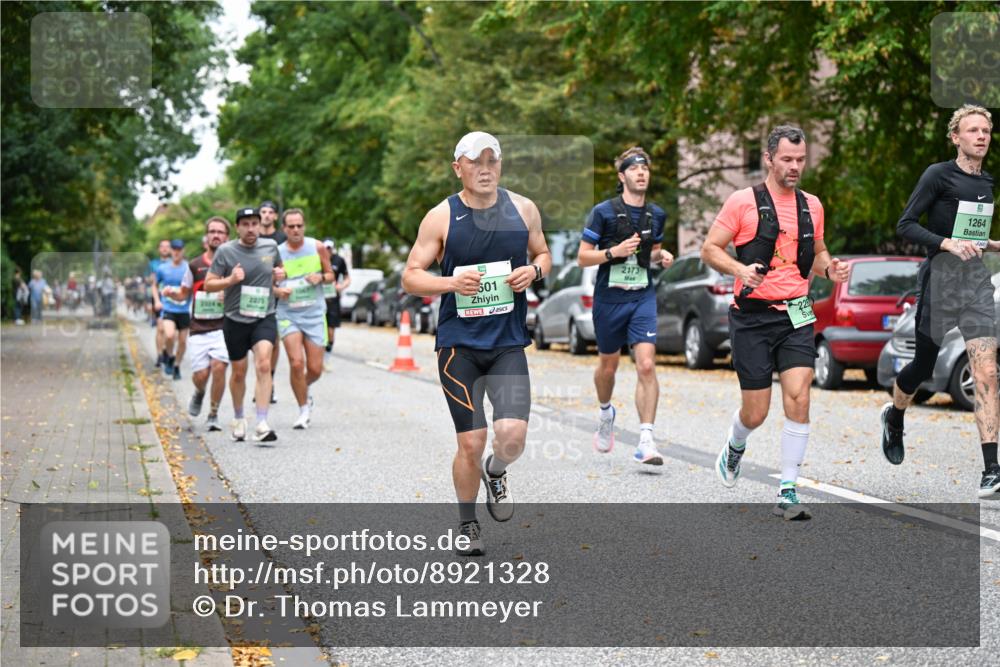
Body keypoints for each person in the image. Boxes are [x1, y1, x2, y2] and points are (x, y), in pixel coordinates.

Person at [402, 131, 552, 556]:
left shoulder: (523, 209)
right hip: (459, 346)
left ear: (500, 164)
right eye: (475, 161)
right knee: (471, 440)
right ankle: (467, 523)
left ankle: (496, 471)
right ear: (458, 168)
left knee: (512, 438)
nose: (485, 169)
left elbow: (543, 254)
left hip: (507, 342)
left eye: (492, 160)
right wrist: (451, 283)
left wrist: (534, 272)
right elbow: (411, 276)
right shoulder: (441, 217)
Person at [701, 125, 850, 520]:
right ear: (769, 159)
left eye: (800, 159)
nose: (795, 166)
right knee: (756, 412)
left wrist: (831, 269)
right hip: (751, 317)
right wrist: (739, 269)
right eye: (787, 159)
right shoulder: (742, 202)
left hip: (796, 313)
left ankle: (788, 489)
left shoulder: (812, 205)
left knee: (799, 397)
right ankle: (735, 445)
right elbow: (709, 249)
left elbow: (817, 252)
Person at [880, 104, 1000, 499]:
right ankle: (895, 415)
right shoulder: (938, 175)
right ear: (955, 137)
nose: (981, 136)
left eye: (986, 130)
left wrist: (992, 244)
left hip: (975, 284)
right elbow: (906, 224)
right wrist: (946, 243)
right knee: (923, 365)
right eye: (973, 130)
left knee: (987, 371)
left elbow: (972, 236)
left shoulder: (987, 182)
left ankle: (992, 469)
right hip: (940, 283)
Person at [577, 146, 674, 465]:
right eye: (634, 169)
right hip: (609, 299)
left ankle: (646, 440)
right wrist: (613, 252)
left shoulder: (656, 215)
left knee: (646, 364)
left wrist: (662, 256)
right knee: (609, 366)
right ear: (622, 176)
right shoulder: (603, 212)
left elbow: (652, 253)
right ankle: (606, 413)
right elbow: (582, 257)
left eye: (645, 168)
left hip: (642, 296)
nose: (641, 173)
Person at [204, 207, 286, 442]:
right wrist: (230, 279)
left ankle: (261, 422)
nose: (251, 229)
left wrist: (280, 275)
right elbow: (209, 284)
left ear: (260, 225)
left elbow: (279, 270)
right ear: (237, 227)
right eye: (246, 224)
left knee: (264, 364)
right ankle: (239, 418)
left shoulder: (270, 247)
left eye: (254, 224)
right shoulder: (226, 251)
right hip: (235, 319)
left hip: (264, 316)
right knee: (239, 372)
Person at [274, 209, 335, 429]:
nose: (295, 230)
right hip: (288, 314)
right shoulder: (276, 252)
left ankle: (303, 387)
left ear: (304, 226)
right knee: (296, 363)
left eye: (299, 225)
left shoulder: (317, 247)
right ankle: (303, 410)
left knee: (315, 369)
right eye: (291, 226)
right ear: (284, 229)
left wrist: (321, 277)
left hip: (314, 313)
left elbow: (331, 276)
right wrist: (277, 290)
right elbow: (267, 282)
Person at [186, 220, 233, 431]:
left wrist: (228, 294)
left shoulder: (234, 264)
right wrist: (171, 294)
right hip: (199, 328)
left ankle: (213, 414)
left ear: (227, 237)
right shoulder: (194, 265)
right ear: (206, 236)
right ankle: (199, 392)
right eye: (212, 231)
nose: (216, 235)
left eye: (220, 232)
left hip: (224, 328)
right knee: (201, 376)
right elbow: (184, 291)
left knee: (219, 367)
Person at [259, 199, 286, 404]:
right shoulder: (252, 236)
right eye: (263, 212)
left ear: (275, 216)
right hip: (255, 294)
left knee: (274, 340)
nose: (266, 215)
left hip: (277, 294)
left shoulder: (282, 238)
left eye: (270, 212)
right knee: (258, 343)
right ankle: (262, 381)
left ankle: (270, 380)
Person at [152, 239, 192, 380]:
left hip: (184, 310)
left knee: (182, 342)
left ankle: (176, 365)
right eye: (174, 249)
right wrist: (157, 301)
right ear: (171, 251)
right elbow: (154, 285)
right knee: (169, 335)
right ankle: (169, 355)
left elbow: (194, 286)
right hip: (168, 308)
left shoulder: (189, 268)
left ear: (183, 251)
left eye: (179, 250)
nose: (176, 252)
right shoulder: (162, 268)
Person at [322, 238, 351, 371]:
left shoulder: (339, 260)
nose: (328, 251)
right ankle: (316, 359)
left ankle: (326, 359)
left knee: (330, 332)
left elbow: (347, 278)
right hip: (318, 300)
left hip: (332, 300)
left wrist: (341, 286)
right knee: (318, 331)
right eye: (325, 248)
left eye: (330, 248)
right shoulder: (316, 259)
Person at [148, 239, 171, 365]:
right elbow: (152, 283)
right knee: (160, 328)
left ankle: (166, 349)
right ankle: (159, 355)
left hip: (173, 299)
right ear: (159, 249)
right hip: (159, 299)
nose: (165, 249)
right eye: (162, 246)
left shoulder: (175, 263)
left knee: (171, 331)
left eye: (167, 246)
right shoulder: (153, 264)